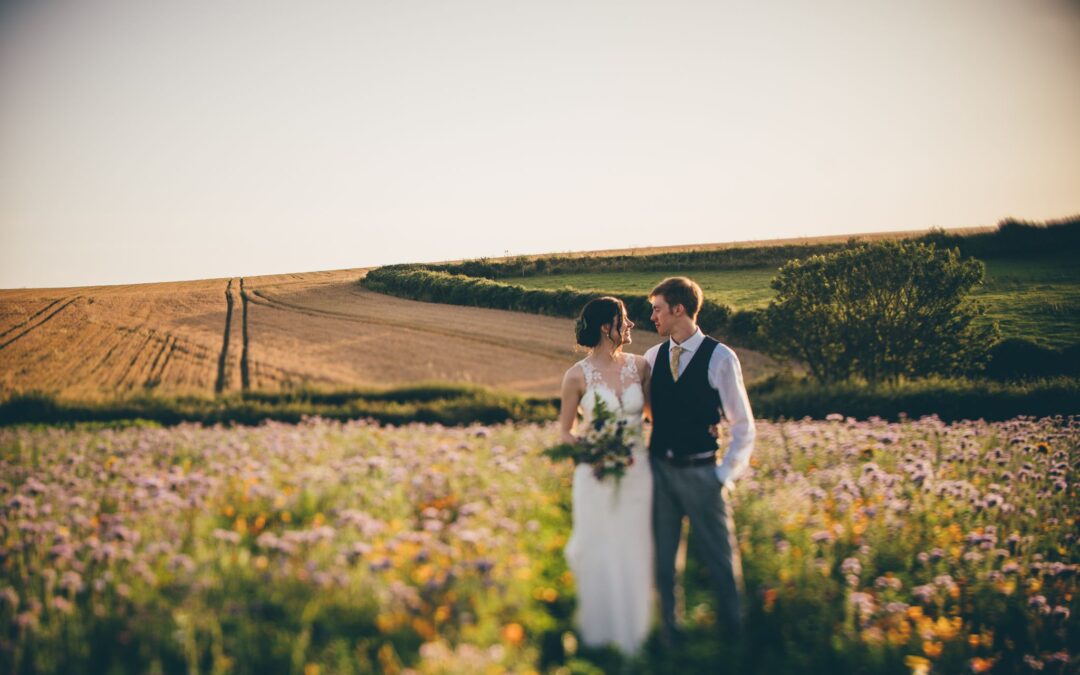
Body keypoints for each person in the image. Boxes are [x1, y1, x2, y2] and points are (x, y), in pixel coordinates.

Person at [643, 276, 756, 645]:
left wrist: (723, 475)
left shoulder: (721, 356)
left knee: (720, 559)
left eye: (657, 309)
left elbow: (743, 426)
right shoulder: (652, 357)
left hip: (702, 472)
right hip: (659, 470)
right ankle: (671, 639)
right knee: (663, 563)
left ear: (678, 309)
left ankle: (734, 638)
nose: (652, 317)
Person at [558, 296, 654, 655]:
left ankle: (636, 635)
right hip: (595, 472)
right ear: (605, 327)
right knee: (599, 544)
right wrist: (592, 454)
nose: (630, 325)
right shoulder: (575, 376)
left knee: (634, 545)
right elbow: (565, 433)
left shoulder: (642, 367)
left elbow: (654, 416)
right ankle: (599, 634)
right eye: (623, 319)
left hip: (636, 470)